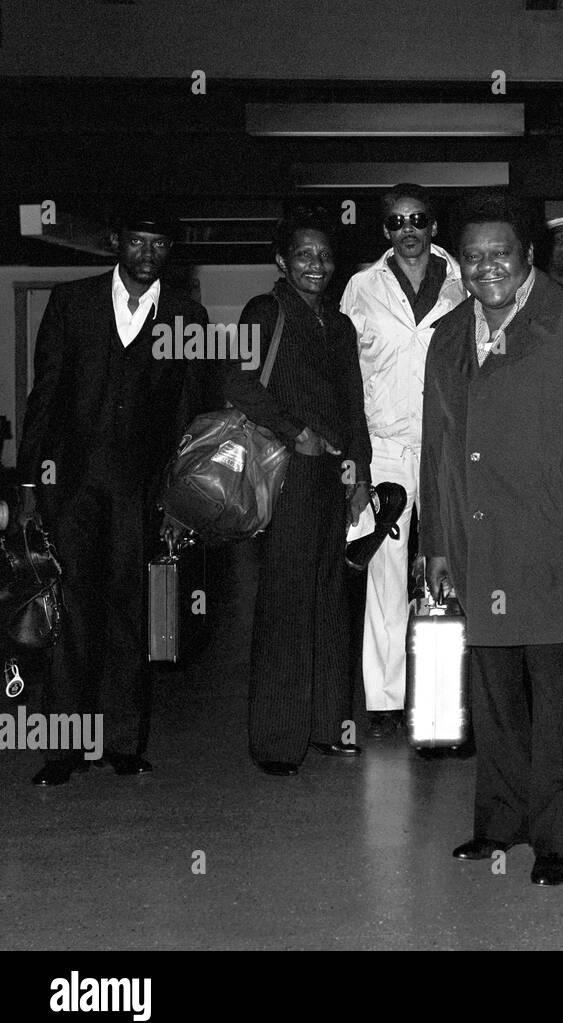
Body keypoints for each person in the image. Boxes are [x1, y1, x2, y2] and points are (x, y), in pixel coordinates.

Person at [419, 191, 563, 887]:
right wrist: (436, 545)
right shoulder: (450, 332)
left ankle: (557, 837)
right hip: (479, 544)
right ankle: (500, 822)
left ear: (528, 257)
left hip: (555, 545)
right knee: (492, 697)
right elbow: (439, 449)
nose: (488, 267)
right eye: (474, 256)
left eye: (502, 254)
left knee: (557, 702)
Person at [20, 207, 213, 786]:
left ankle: (123, 743)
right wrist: (29, 487)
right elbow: (45, 396)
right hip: (72, 488)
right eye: (137, 241)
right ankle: (65, 749)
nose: (148, 253)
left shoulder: (186, 316)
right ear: (116, 244)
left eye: (158, 243)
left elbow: (186, 417)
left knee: (133, 613)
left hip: (141, 492)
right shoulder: (72, 303)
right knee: (72, 616)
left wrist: (178, 501)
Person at [225, 208, 372, 778]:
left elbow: (353, 404)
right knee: (286, 605)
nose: (317, 264)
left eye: (325, 255)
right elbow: (236, 381)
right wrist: (295, 431)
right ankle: (279, 741)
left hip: (332, 482)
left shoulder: (339, 326)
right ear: (282, 261)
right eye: (305, 254)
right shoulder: (266, 312)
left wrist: (358, 470)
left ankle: (330, 725)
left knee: (332, 604)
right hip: (285, 475)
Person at [340, 184, 465, 737]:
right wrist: (355, 463)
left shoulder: (466, 281)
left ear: (434, 226)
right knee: (385, 578)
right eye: (395, 222)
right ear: (383, 230)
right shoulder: (360, 288)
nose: (407, 229)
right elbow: (345, 377)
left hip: (451, 447)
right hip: (384, 449)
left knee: (452, 567)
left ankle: (453, 697)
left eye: (417, 219)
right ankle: (387, 700)